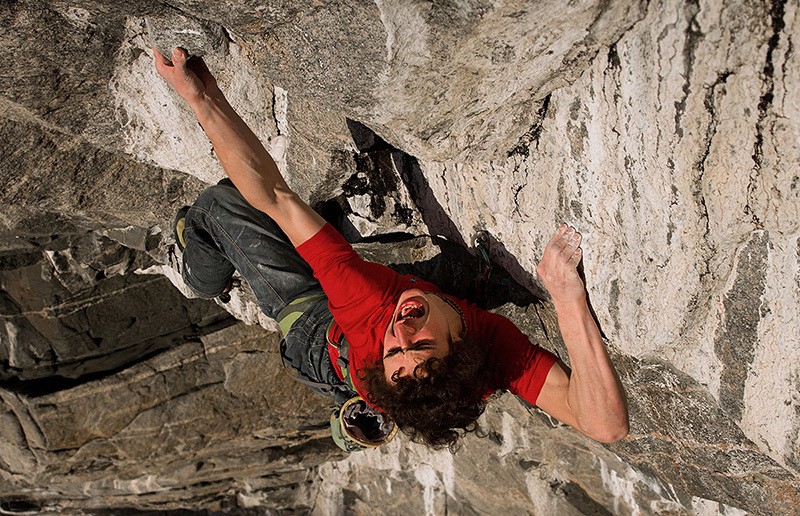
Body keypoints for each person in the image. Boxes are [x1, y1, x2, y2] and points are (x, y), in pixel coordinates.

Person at [153, 48, 629, 451]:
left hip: (320, 341)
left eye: (395, 355)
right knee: (469, 274)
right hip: (395, 353)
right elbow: (606, 426)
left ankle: (199, 279)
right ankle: (368, 408)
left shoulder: (366, 307)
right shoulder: (491, 353)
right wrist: (567, 297)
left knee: (219, 204)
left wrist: (201, 100)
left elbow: (275, 198)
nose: (401, 329)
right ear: (464, 343)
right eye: (421, 343)